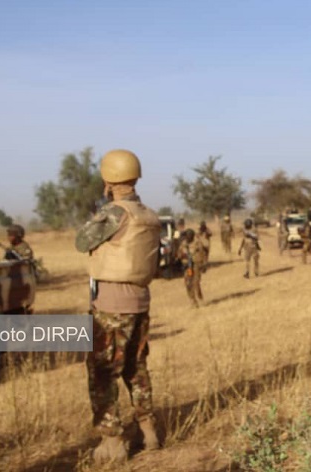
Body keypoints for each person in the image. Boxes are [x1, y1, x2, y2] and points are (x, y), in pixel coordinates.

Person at [74, 149, 162, 463]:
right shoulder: (149, 215)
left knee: (102, 370)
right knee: (136, 369)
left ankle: (112, 442)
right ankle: (147, 429)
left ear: (108, 178)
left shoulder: (114, 214)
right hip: (140, 302)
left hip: (111, 305)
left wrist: (103, 205)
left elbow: (81, 241)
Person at [178, 229, 205, 308]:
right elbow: (178, 254)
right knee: (188, 283)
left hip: (196, 265)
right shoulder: (183, 244)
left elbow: (202, 253)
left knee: (196, 283)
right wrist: (182, 255)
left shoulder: (197, 243)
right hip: (187, 266)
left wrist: (203, 265)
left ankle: (200, 297)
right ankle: (193, 301)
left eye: (189, 236)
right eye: (187, 236)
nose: (188, 237)